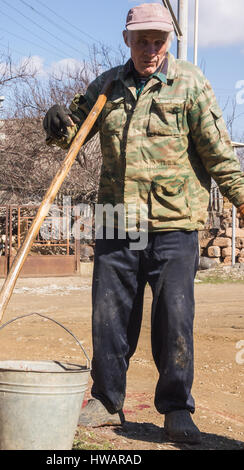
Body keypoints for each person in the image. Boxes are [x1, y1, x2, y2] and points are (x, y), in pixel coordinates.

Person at [43, 3, 244, 444]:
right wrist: (56, 123)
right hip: (119, 220)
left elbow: (219, 155)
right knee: (109, 316)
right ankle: (108, 400)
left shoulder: (190, 84)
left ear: (168, 41)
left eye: (158, 41)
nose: (150, 50)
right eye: (142, 41)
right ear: (127, 40)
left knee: (174, 316)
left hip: (175, 222)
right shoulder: (108, 85)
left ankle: (176, 409)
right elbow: (73, 131)